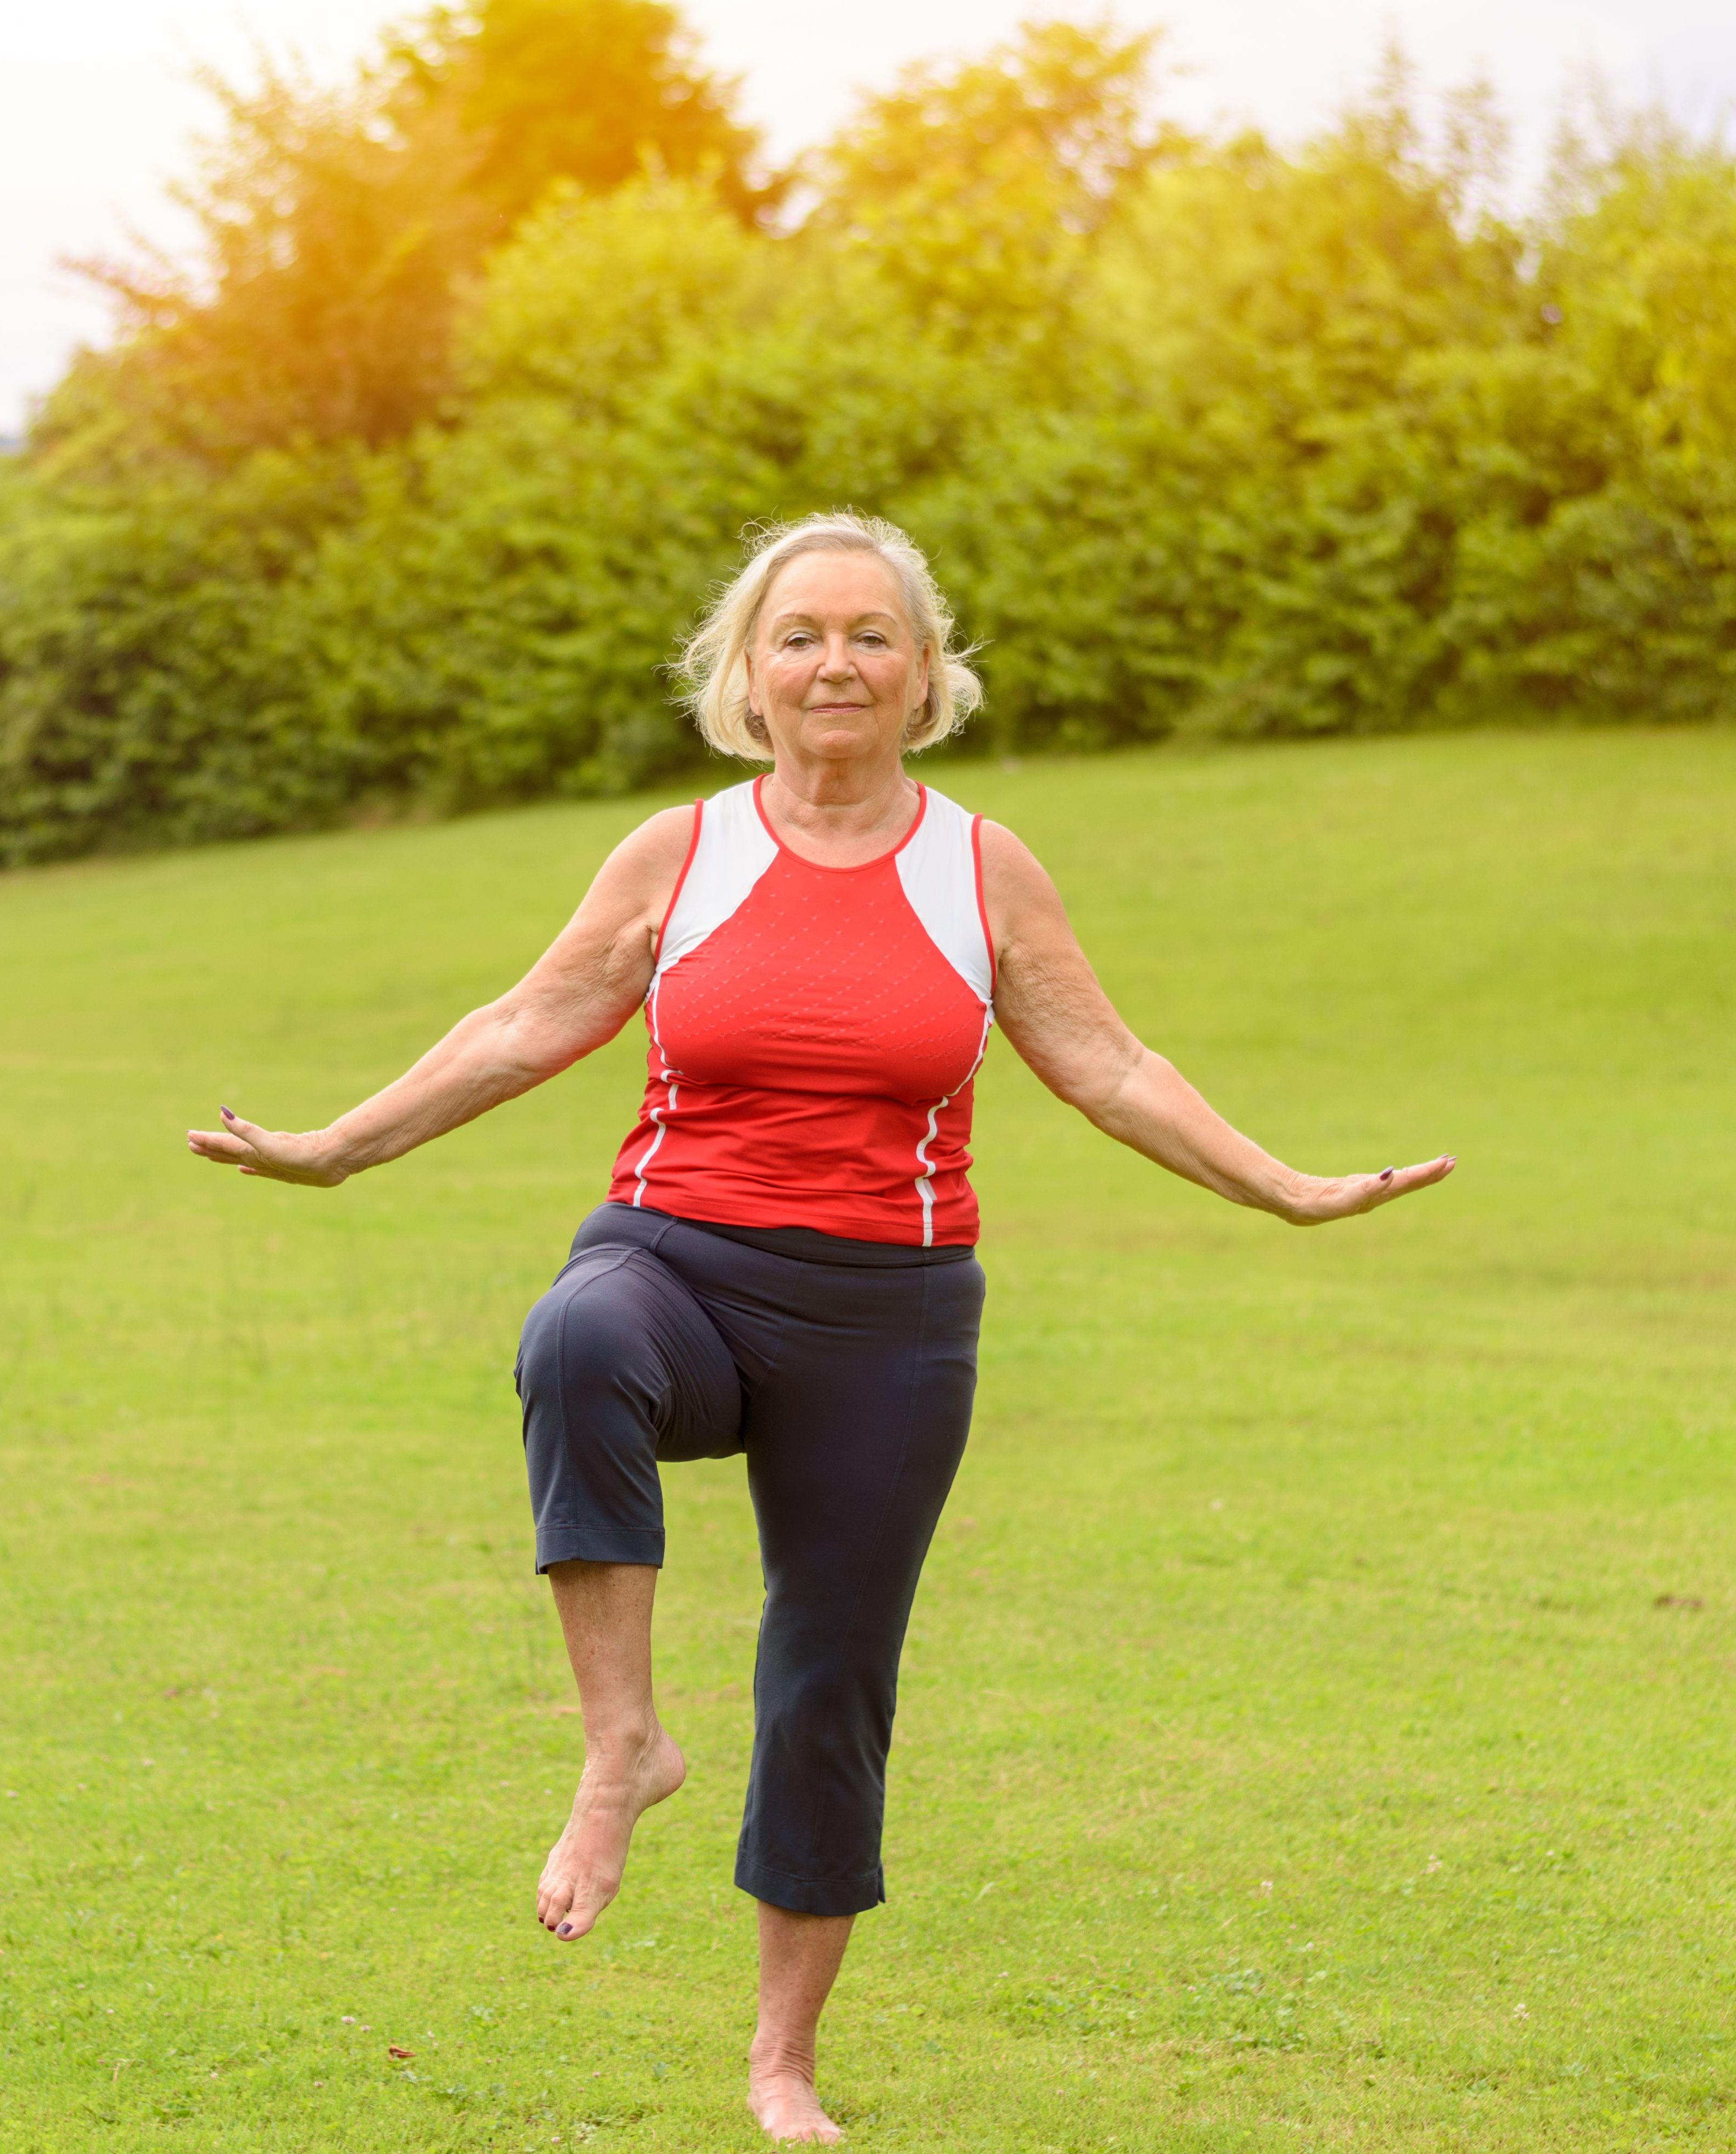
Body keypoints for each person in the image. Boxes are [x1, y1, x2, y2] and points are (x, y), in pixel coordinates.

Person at [185, 511, 1453, 2143]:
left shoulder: (977, 867)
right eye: (799, 636)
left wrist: (1282, 1188)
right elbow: (523, 1025)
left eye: (870, 634)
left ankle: (779, 2062)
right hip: (678, 1263)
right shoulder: (680, 854)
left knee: (826, 1683)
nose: (834, 661)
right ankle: (619, 1744)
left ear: (924, 672)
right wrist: (331, 1147)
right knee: (576, 1340)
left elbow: (1110, 1066)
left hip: (888, 1312)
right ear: (746, 675)